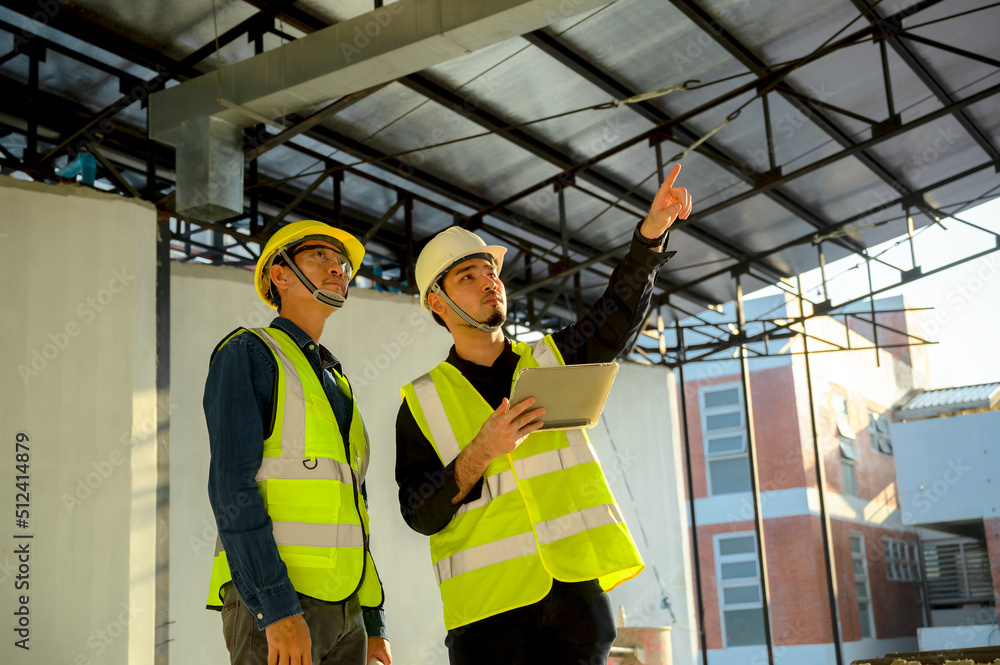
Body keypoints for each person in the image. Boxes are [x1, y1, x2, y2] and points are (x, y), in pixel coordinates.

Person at [395, 165, 692, 663]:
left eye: (491, 273)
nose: (489, 283)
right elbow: (419, 513)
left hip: (576, 604)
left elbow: (616, 315)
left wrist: (650, 237)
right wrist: (481, 452)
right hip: (489, 618)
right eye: (468, 277)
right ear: (437, 303)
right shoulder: (421, 402)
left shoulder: (552, 358)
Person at [204, 220, 391, 665]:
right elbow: (231, 489)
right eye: (319, 255)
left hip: (347, 610)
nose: (337, 268)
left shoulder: (337, 383)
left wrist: (373, 621)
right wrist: (276, 607)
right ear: (280, 275)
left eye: (342, 262)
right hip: (280, 603)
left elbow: (356, 510)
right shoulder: (249, 352)